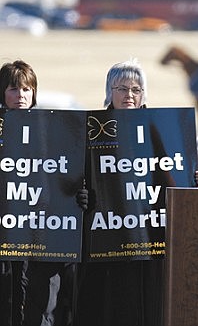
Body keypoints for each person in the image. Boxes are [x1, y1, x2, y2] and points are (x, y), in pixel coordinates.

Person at [75, 58, 164, 326]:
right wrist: (81, 196)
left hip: (145, 240)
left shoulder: (156, 128)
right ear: (109, 92)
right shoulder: (92, 130)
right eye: (122, 88)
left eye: (136, 89)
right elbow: (77, 174)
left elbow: (168, 174)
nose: (129, 95)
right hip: (102, 238)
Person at [0, 60, 80, 326]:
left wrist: (77, 197)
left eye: (26, 89)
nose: (20, 95)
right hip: (6, 242)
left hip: (42, 241)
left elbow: (65, 179)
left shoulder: (51, 131)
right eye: (13, 89)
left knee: (41, 310)